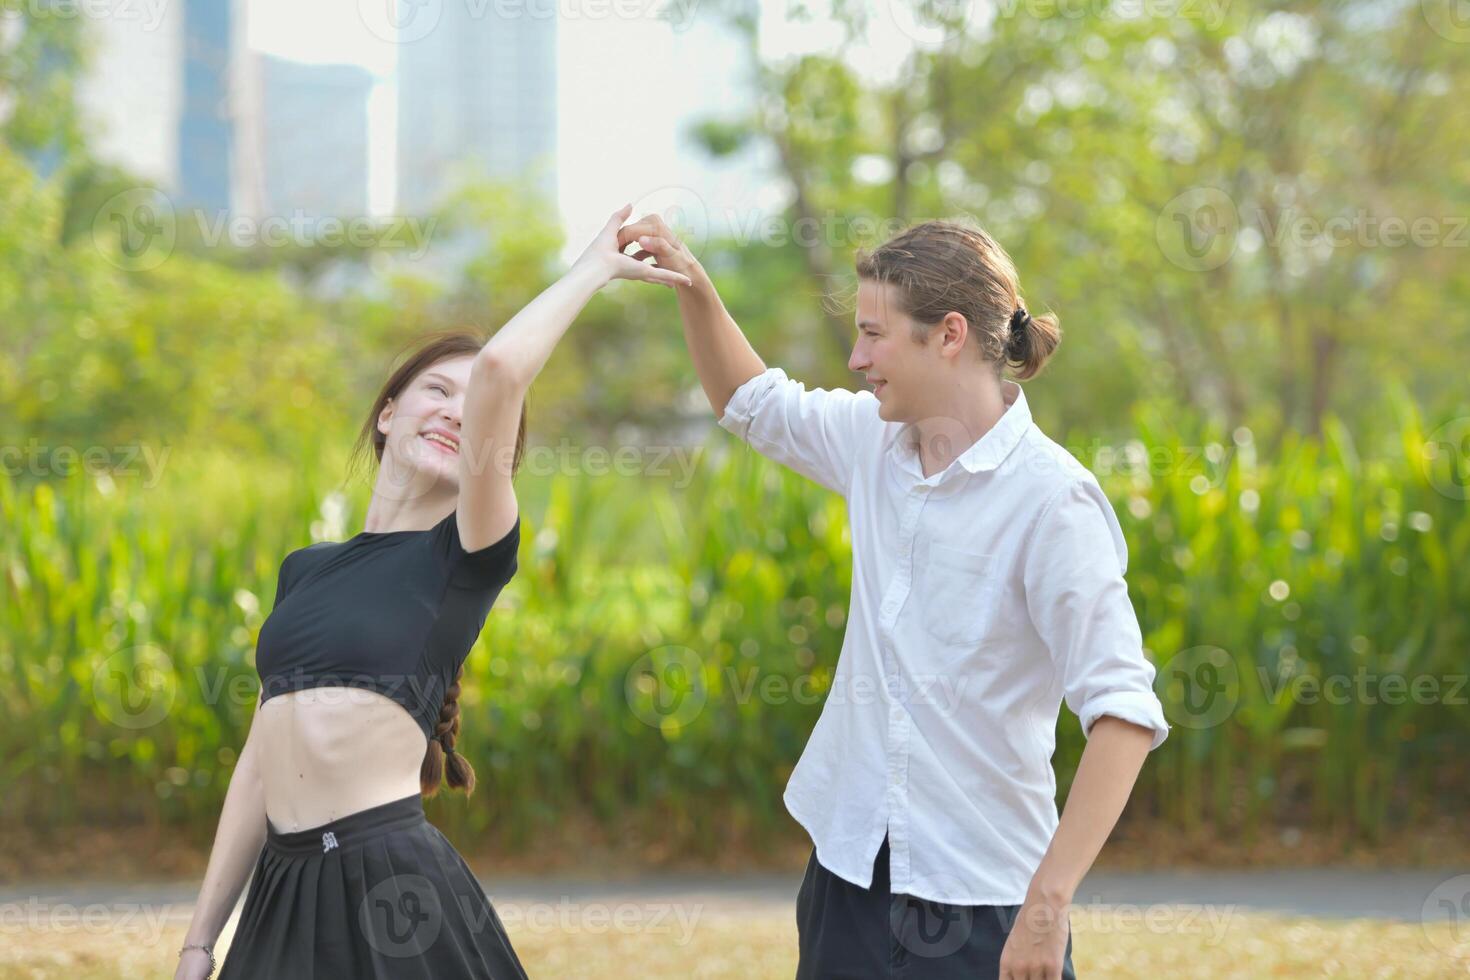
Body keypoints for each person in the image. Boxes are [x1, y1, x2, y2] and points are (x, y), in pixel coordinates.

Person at [620, 213, 1171, 979]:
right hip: (847, 876)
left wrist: (1047, 908)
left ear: (947, 335)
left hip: (984, 903)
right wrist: (693, 283)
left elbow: (1123, 715)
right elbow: (750, 400)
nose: (856, 359)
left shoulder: (1053, 504)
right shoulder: (871, 442)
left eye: (874, 334)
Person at [173, 205, 691, 980]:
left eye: (472, 406)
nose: (455, 410)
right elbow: (258, 763)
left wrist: (595, 268)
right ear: (388, 414)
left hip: (391, 886)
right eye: (433, 391)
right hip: (281, 895)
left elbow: (503, 374)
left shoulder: (467, 555)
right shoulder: (305, 569)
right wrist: (199, 940)